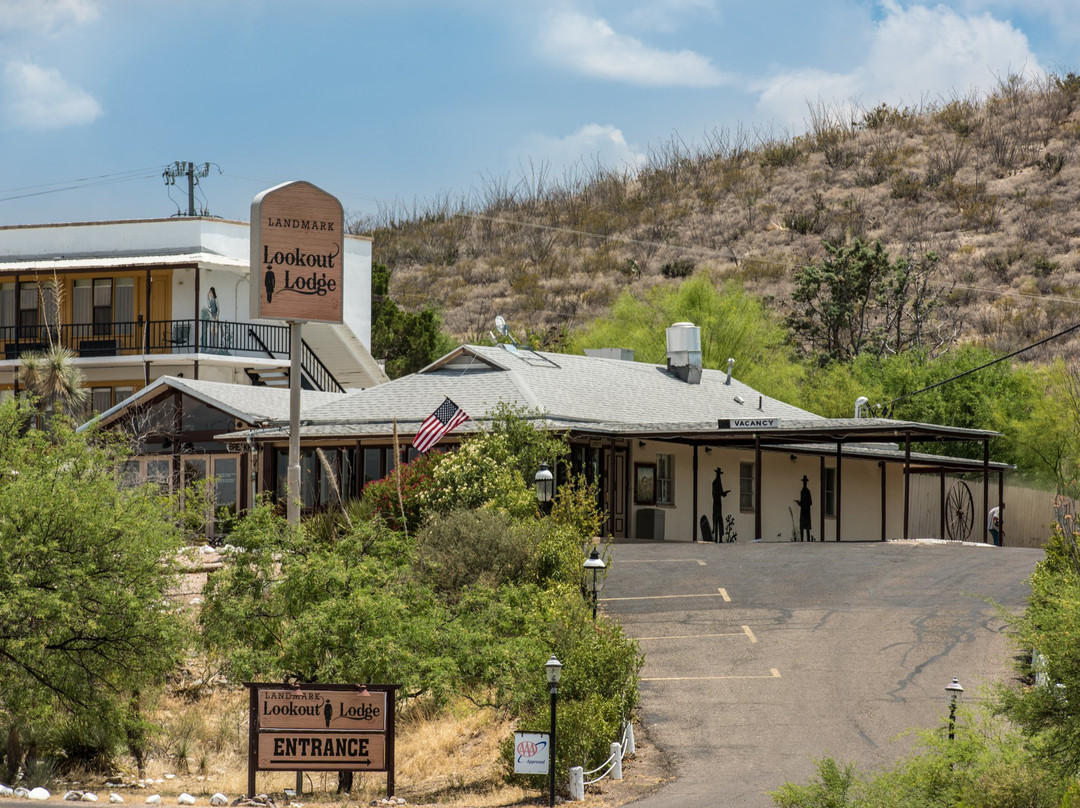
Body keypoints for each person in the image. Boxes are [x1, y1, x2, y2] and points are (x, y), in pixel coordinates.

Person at [712, 468, 730, 543]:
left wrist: (724, 493)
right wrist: (723, 493)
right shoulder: (716, 482)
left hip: (717, 502)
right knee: (717, 519)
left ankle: (718, 538)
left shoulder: (717, 482)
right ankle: (717, 538)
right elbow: (717, 493)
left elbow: (721, 493)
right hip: (717, 502)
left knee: (718, 520)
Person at [796, 475, 813, 542]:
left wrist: (803, 503)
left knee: (807, 527)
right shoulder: (802, 491)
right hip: (803, 511)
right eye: (803, 482)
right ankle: (802, 540)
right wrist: (799, 503)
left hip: (806, 511)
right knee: (802, 527)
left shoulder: (808, 491)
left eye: (805, 482)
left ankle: (808, 540)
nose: (804, 483)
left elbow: (810, 502)